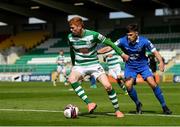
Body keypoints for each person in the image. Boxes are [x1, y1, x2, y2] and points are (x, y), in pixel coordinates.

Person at [67, 16, 129, 118]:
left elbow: (109, 43)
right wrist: (74, 65)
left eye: (73, 27)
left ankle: (117, 111)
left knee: (108, 86)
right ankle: (89, 103)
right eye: (70, 28)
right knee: (71, 79)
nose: (71, 30)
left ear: (79, 26)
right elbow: (71, 50)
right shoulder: (70, 37)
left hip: (94, 65)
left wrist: (122, 54)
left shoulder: (94, 35)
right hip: (79, 66)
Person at [115, 23, 172, 115]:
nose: (128, 37)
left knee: (152, 83)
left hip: (143, 66)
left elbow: (155, 52)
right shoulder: (122, 40)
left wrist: (161, 62)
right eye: (127, 35)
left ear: (136, 33)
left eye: (131, 35)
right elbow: (111, 46)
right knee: (128, 85)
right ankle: (138, 104)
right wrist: (98, 51)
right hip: (130, 67)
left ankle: (164, 107)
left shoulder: (145, 41)